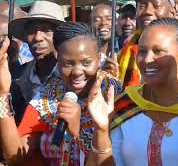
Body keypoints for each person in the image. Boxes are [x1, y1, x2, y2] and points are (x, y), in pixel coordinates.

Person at [87, 17, 178, 166]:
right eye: (142, 51)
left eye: (158, 51)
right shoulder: (127, 103)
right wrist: (101, 130)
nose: (147, 59)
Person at [0, 22, 121, 165]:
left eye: (86, 62)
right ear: (58, 61)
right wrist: (2, 94)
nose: (77, 72)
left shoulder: (117, 97)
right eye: (68, 63)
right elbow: (15, 156)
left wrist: (76, 134)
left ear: (99, 59)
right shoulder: (48, 96)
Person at [8, 1, 65, 125]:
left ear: (59, 35)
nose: (38, 37)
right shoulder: (16, 76)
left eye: (46, 30)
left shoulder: (71, 77)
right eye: (32, 31)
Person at [118, 0, 176, 88]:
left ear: (172, 12)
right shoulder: (127, 49)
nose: (147, 11)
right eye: (142, 6)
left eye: (156, 6)